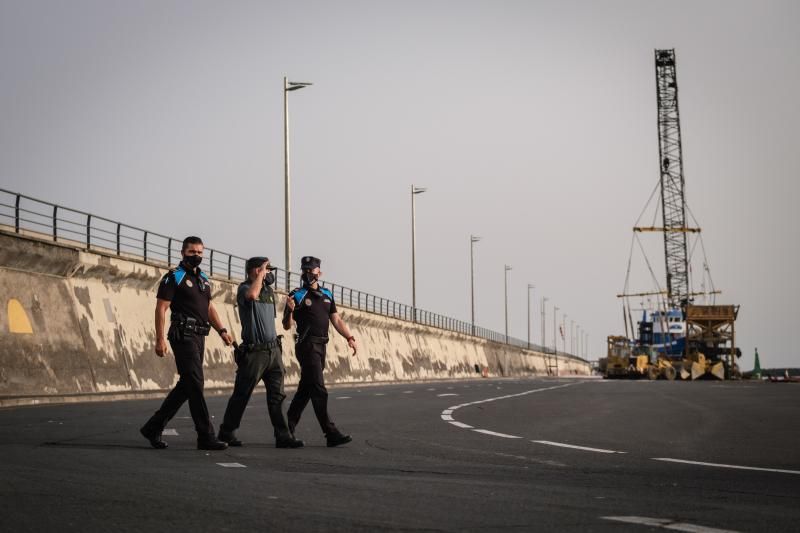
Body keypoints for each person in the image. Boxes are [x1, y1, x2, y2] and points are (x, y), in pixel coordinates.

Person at [140, 236, 233, 450]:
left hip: (200, 336)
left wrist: (222, 331)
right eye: (192, 252)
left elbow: (209, 307)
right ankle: (206, 436)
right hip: (182, 335)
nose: (197, 256)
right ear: (183, 253)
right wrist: (159, 338)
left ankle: (153, 427)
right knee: (196, 383)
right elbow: (161, 308)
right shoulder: (174, 277)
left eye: (200, 252)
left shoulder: (203, 279)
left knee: (187, 385)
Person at [217, 257, 304, 448]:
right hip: (254, 352)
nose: (270, 273)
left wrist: (290, 311)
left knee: (277, 396)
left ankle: (283, 436)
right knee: (242, 393)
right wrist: (260, 274)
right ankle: (226, 432)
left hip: (273, 350)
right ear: (257, 271)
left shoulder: (269, 292)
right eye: (267, 269)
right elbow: (251, 296)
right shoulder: (245, 288)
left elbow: (281, 323)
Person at [283, 256, 357, 447]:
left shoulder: (327, 294)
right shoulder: (297, 294)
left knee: (305, 390)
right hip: (307, 346)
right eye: (305, 270)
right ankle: (330, 432)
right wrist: (289, 310)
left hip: (321, 346)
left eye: (311, 270)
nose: (308, 274)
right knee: (318, 389)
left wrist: (349, 337)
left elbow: (337, 320)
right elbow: (286, 325)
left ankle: (286, 428)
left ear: (319, 273)